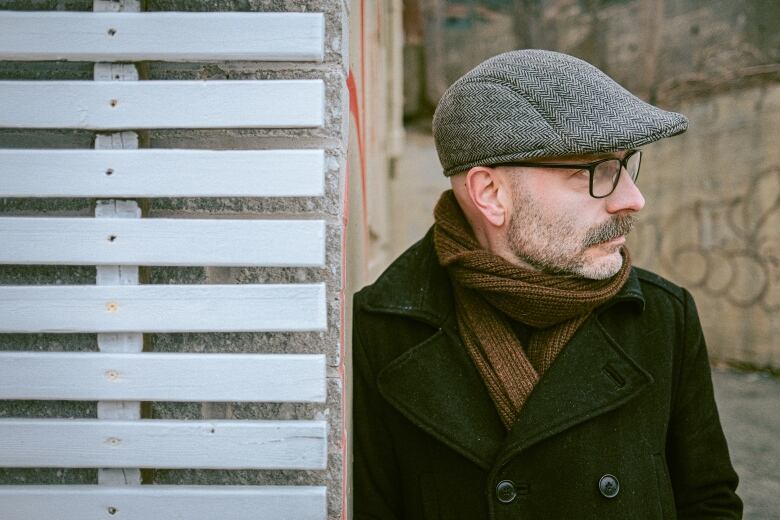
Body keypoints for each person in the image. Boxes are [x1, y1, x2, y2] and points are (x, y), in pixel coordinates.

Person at [352, 50, 742, 519]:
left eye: (626, 164)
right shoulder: (379, 333)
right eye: (595, 171)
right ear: (491, 194)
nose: (633, 199)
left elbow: (709, 502)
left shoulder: (664, 316)